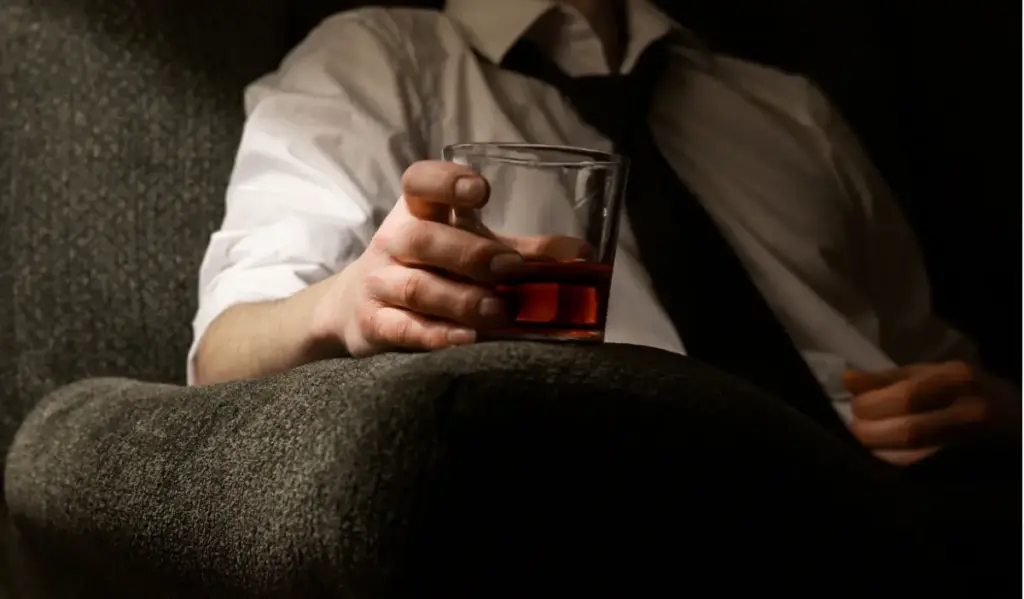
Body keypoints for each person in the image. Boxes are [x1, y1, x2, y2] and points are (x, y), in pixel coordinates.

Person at [189, 0, 1018, 591]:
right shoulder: (374, 59)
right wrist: (350, 305)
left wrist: (1003, 414)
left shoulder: (789, 107)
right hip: (628, 526)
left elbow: (940, 365)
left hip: (927, 517)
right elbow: (222, 357)